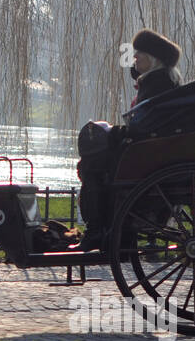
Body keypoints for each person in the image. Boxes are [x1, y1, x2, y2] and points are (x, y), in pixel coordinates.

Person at [71, 29, 183, 250]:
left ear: (152, 59)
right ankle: (117, 232)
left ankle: (96, 231)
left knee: (91, 164)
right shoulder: (161, 81)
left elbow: (143, 127)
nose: (134, 58)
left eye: (139, 53)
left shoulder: (155, 84)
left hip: (148, 154)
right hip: (156, 150)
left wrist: (114, 133)